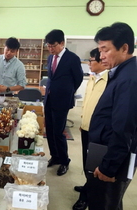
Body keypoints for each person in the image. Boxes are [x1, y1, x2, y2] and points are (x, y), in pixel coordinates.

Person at [86, 22, 137, 210]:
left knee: (105, 203)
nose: (101, 56)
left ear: (124, 48)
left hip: (112, 159)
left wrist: (109, 167)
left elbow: (124, 128)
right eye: (100, 50)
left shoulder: (129, 79)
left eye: (105, 50)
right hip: (104, 152)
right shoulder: (121, 73)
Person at [72, 48, 108, 210]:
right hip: (86, 128)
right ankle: (88, 186)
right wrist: (83, 122)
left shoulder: (109, 80)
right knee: (87, 163)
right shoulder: (93, 78)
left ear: (101, 61)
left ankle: (86, 197)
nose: (88, 63)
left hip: (98, 132)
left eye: (91, 60)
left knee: (94, 166)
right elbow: (88, 103)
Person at [44, 29, 83, 176]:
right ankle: (55, 156)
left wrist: (66, 91)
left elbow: (78, 78)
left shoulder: (72, 58)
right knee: (49, 131)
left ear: (62, 43)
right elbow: (51, 78)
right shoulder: (50, 58)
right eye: (48, 46)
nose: (50, 48)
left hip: (62, 101)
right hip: (49, 99)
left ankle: (64, 161)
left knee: (59, 132)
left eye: (53, 45)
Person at [0, 37, 26, 106]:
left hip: (9, 97)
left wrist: (7, 89)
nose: (8, 53)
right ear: (4, 47)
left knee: (8, 116)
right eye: (7, 49)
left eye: (12, 51)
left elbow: (22, 85)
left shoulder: (19, 65)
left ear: (16, 52)